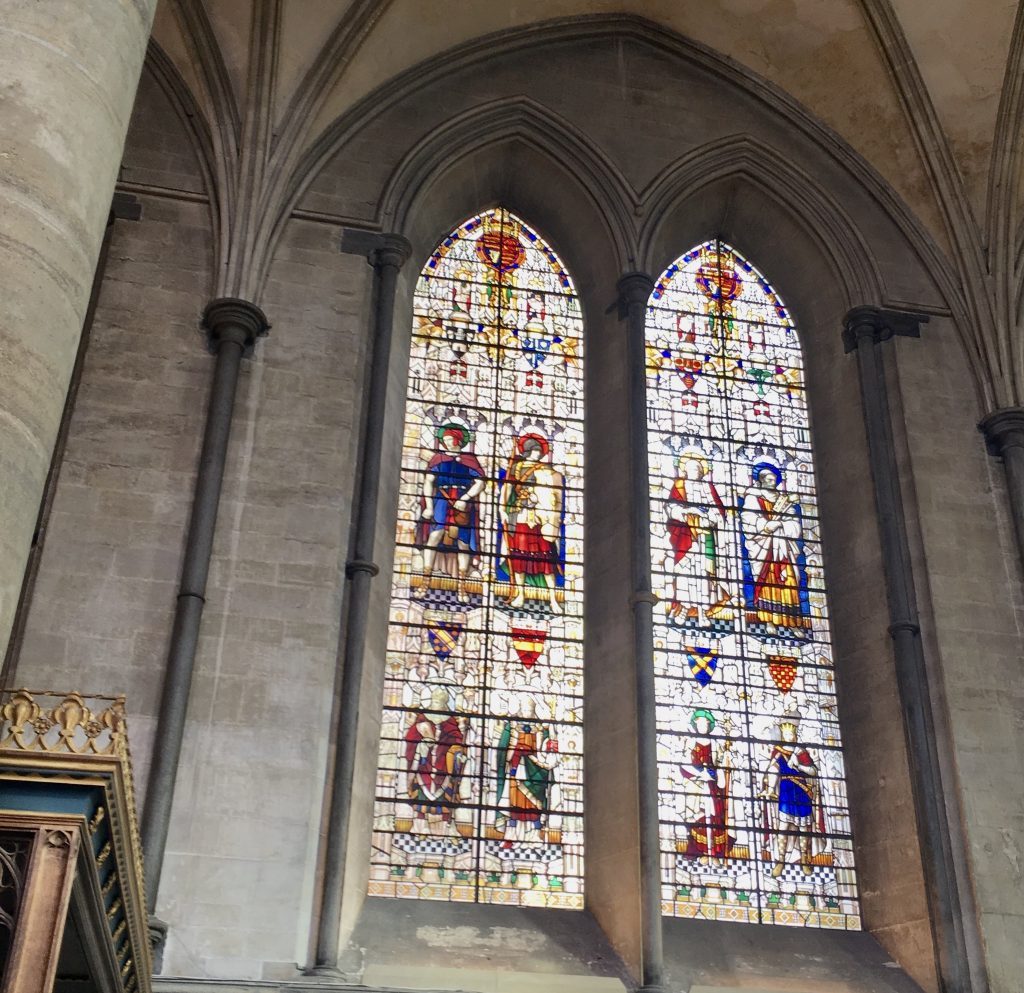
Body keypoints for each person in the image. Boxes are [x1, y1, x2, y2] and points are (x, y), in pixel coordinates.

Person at [739, 462, 811, 631]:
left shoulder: (783, 501)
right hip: (764, 547)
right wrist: (764, 525)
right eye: (769, 480)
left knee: (789, 580)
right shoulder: (753, 497)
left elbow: (794, 523)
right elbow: (747, 518)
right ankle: (768, 620)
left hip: (784, 547)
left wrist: (781, 525)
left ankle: (792, 622)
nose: (772, 483)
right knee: (767, 581)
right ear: (761, 481)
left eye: (774, 480)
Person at [419, 424, 486, 601]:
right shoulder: (438, 459)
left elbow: (480, 482)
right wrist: (429, 506)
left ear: (458, 440)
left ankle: (462, 586)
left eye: (450, 439)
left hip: (463, 502)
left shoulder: (469, 460)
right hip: (442, 499)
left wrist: (466, 498)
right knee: (434, 536)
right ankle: (425, 581)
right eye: (445, 440)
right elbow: (428, 481)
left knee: (463, 543)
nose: (447, 443)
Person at [499, 433, 564, 611]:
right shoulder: (516, 468)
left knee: (546, 559)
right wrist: (502, 509)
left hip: (540, 520)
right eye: (535, 451)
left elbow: (553, 495)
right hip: (520, 516)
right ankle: (520, 594)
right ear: (528, 451)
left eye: (539, 452)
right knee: (519, 557)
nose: (538, 454)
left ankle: (553, 599)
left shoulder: (547, 471)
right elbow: (507, 489)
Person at [759, 708, 825, 876]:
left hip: (801, 792)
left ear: (795, 734)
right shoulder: (778, 751)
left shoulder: (800, 752)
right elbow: (773, 769)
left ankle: (804, 860)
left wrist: (798, 765)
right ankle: (780, 861)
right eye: (785, 734)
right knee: (783, 827)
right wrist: (770, 788)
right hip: (786, 791)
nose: (788, 736)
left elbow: (813, 771)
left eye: (791, 733)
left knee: (804, 828)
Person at [664, 453, 729, 622]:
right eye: (691, 468)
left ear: (702, 471)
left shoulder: (708, 488)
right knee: (686, 573)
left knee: (705, 574)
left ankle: (703, 612)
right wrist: (687, 512)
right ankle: (684, 608)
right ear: (685, 470)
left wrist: (708, 517)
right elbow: (671, 508)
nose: (695, 471)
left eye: (697, 469)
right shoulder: (680, 485)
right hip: (686, 537)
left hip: (706, 536)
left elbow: (719, 512)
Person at [403, 686, 471, 837]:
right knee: (421, 793)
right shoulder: (423, 718)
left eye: (439, 703)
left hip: (444, 764)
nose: (436, 705)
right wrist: (421, 745)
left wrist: (459, 754)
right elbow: (411, 738)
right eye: (434, 702)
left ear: (444, 704)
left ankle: (448, 826)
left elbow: (457, 741)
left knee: (447, 794)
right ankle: (420, 824)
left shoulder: (450, 721)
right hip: (424, 763)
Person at [494, 698, 561, 843]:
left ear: (534, 711)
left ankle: (535, 834)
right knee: (514, 801)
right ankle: (512, 833)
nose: (527, 712)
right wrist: (514, 752)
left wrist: (549, 734)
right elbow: (504, 750)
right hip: (515, 768)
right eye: (524, 709)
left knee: (533, 803)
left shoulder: (539, 728)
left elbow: (543, 749)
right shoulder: (512, 726)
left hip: (533, 769)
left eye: (529, 710)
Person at [679, 709, 735, 862]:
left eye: (705, 724)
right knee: (698, 816)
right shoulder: (691, 742)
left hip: (712, 784)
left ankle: (714, 853)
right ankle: (700, 852)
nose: (702, 726)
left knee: (716, 817)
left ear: (709, 726)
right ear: (695, 725)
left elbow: (719, 764)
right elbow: (684, 763)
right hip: (695, 783)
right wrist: (699, 774)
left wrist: (722, 766)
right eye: (700, 724)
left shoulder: (715, 744)